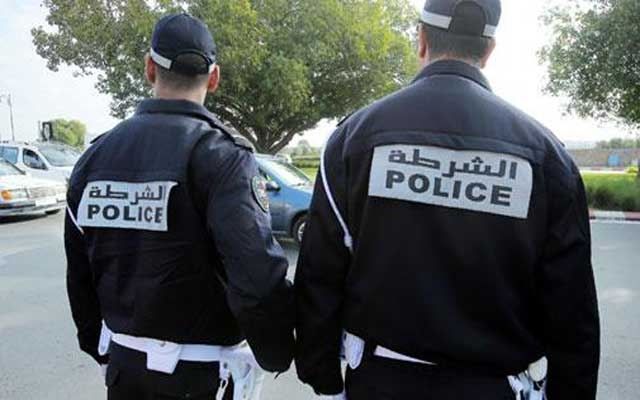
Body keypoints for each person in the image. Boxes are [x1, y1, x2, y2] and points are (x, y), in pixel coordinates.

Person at [294, 0, 600, 399]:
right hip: (494, 389)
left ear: (421, 40)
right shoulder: (546, 156)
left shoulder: (353, 140)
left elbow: (321, 272)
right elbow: (572, 308)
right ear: (488, 51)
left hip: (379, 384)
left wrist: (323, 376)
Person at [64, 13, 294, 400]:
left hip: (124, 372)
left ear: (149, 68)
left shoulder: (94, 158)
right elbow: (255, 275)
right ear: (214, 78)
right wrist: (277, 351)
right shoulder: (222, 155)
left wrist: (102, 348)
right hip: (203, 378)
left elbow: (80, 273)